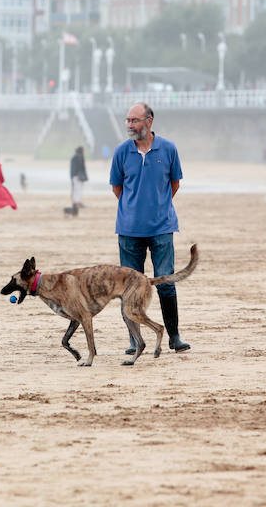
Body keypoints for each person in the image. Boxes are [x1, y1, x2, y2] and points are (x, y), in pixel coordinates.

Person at [110, 102, 190, 354]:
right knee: (130, 288)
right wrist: (133, 210)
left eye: (135, 120)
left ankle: (174, 337)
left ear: (149, 121)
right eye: (128, 121)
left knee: (166, 279)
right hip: (129, 230)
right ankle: (135, 341)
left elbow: (174, 183)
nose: (130, 125)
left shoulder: (168, 149)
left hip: (162, 228)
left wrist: (158, 207)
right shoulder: (122, 152)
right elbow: (117, 188)